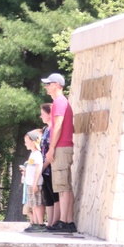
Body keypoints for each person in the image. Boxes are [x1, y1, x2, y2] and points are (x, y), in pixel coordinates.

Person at [41, 73, 76, 233]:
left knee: (62, 186)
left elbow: (58, 126)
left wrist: (52, 148)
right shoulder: (61, 102)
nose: (47, 87)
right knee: (63, 186)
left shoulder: (60, 102)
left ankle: (65, 221)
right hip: (62, 147)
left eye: (49, 84)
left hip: (61, 147)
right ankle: (67, 221)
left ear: (57, 85)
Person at [37, 103, 59, 228]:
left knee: (54, 195)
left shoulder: (53, 130)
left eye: (43, 114)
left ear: (50, 114)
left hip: (50, 168)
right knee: (48, 196)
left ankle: (55, 221)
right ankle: (50, 223)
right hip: (44, 169)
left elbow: (51, 152)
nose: (41, 116)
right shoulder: (45, 130)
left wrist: (43, 166)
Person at [19, 130, 45, 232]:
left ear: (33, 141)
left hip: (35, 184)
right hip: (29, 183)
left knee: (37, 204)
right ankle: (34, 223)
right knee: (33, 205)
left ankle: (41, 224)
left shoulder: (37, 154)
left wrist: (35, 184)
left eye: (26, 141)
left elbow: (38, 168)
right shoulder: (32, 154)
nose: (25, 143)